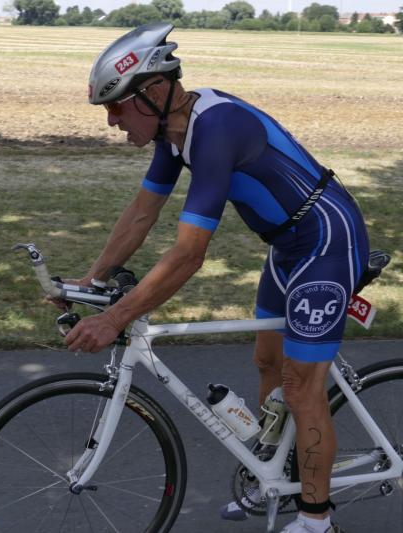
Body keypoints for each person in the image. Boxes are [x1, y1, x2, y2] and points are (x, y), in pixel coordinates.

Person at [63, 23, 369, 533]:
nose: (112, 121)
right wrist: (91, 280)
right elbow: (142, 213)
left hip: (328, 242)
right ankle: (276, 477)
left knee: (300, 387)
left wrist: (115, 318)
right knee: (267, 362)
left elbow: (189, 254)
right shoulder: (173, 134)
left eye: (116, 106)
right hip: (289, 247)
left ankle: (317, 519)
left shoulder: (216, 129)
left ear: (155, 92)